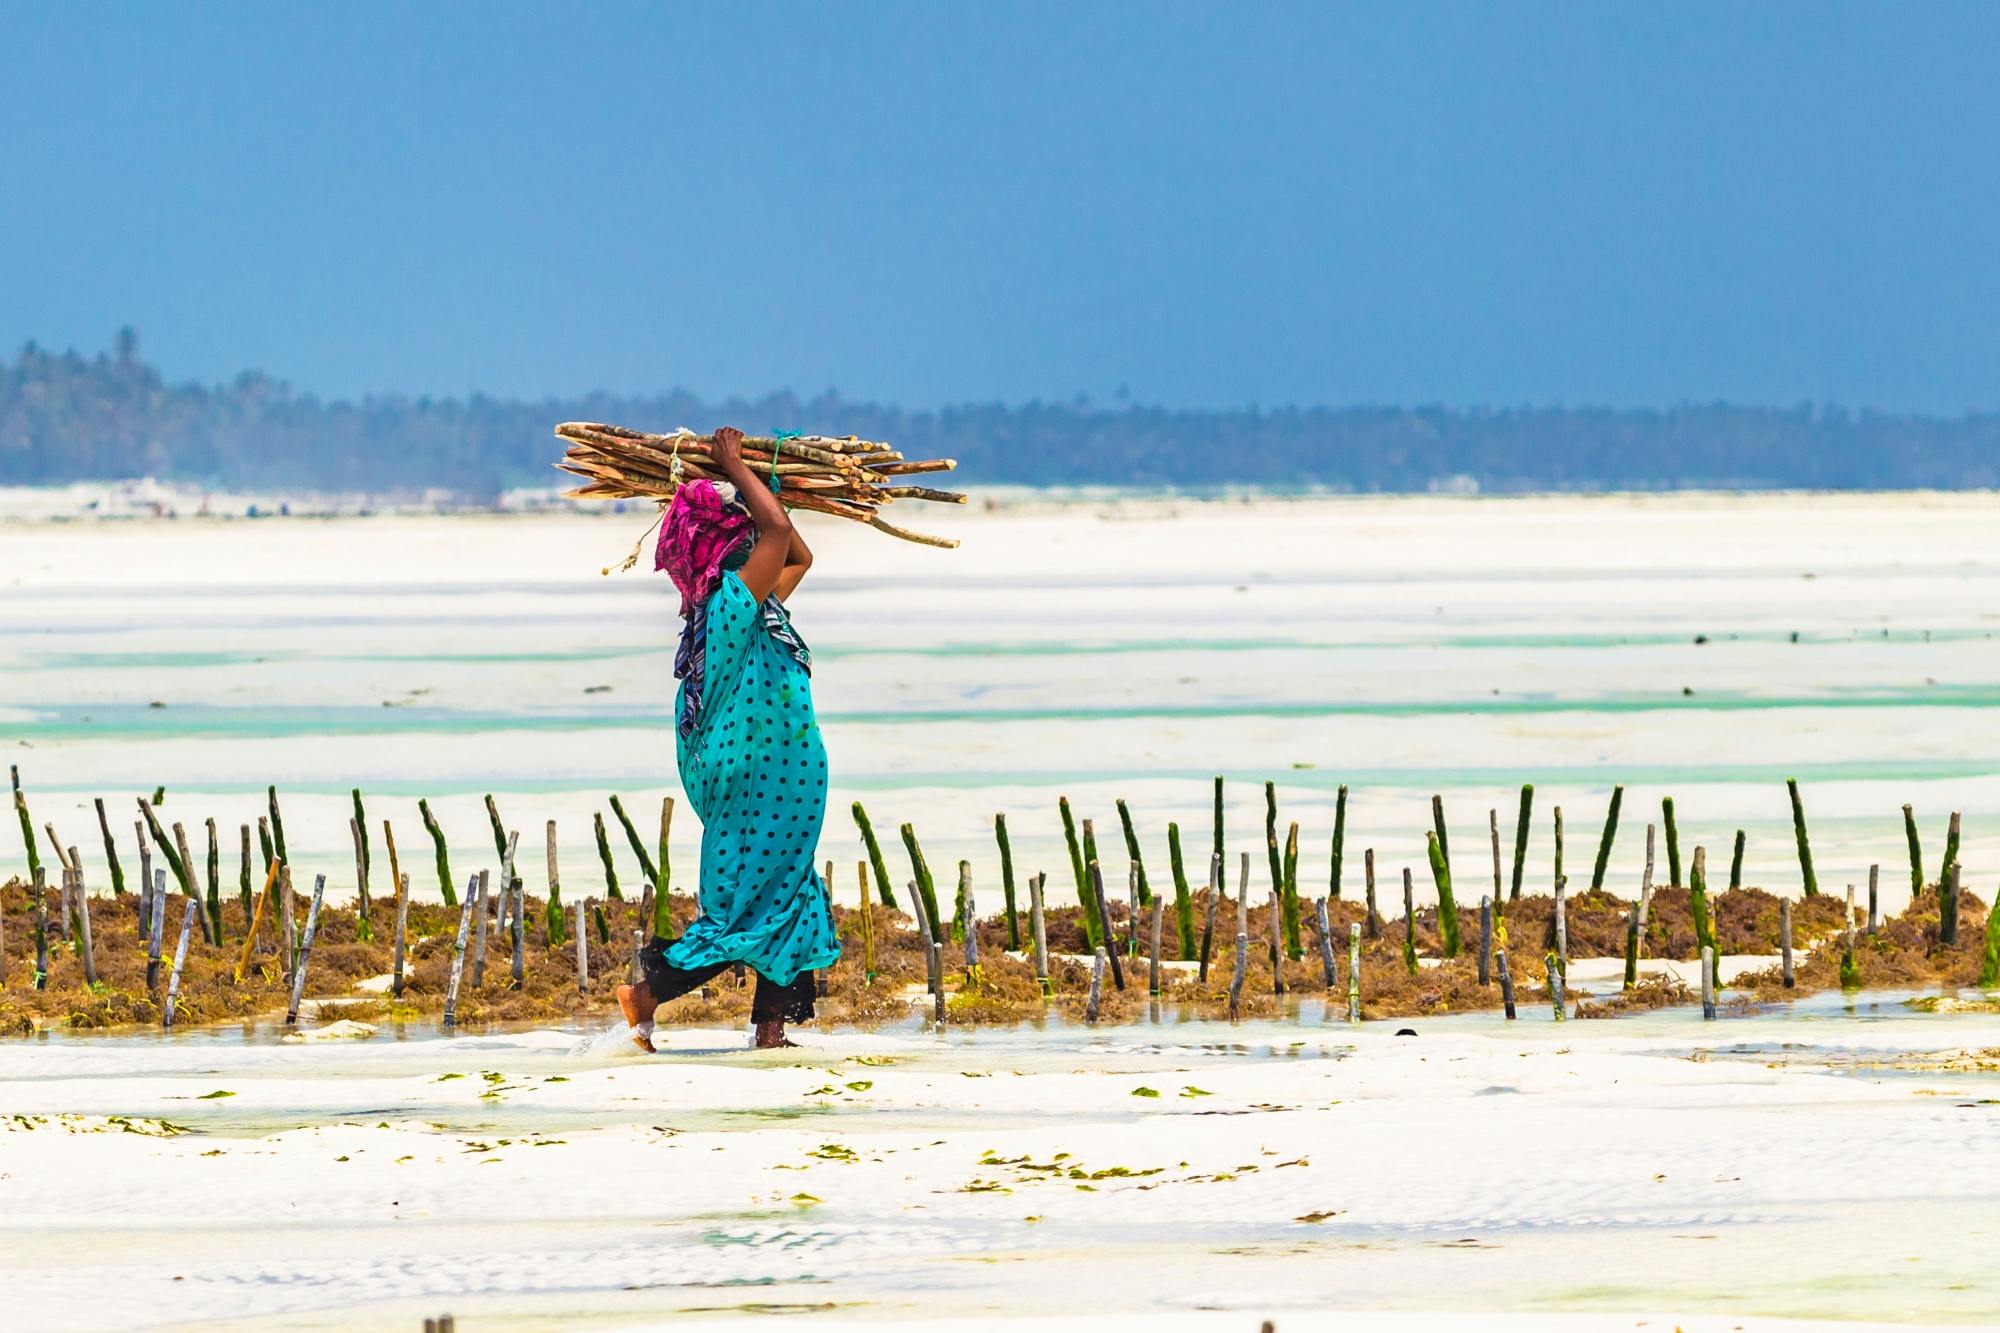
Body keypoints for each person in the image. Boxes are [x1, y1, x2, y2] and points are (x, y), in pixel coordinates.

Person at [615, 426, 839, 1050]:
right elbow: (776, 539)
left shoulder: (751, 606)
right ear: (723, 552)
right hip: (761, 784)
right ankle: (646, 994)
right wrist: (738, 468)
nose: (754, 545)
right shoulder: (729, 604)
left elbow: (799, 556)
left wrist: (766, 482)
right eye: (739, 537)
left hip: (777, 780)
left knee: (788, 894)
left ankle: (770, 1031)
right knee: (744, 910)